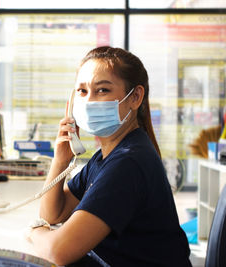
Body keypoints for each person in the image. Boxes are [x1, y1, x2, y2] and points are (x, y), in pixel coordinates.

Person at [25, 46, 192, 266]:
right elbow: (53, 214)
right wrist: (60, 160)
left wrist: (36, 232)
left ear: (135, 97)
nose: (89, 101)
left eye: (102, 90)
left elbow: (57, 251)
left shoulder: (128, 162)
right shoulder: (107, 155)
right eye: (82, 91)